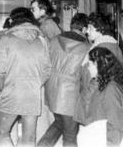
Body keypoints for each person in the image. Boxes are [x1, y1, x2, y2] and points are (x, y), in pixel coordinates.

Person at [0, 7, 52, 147]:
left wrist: (5, 86)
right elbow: (47, 70)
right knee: (29, 138)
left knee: (1, 132)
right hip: (33, 95)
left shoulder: (6, 39)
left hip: (12, 92)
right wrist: (34, 82)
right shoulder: (42, 41)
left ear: (12, 20)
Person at [38, 13, 90, 147]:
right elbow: (86, 76)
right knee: (70, 135)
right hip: (70, 96)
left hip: (52, 92)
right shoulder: (86, 47)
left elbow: (44, 64)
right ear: (84, 29)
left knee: (58, 124)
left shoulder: (54, 40)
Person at [76, 46, 123, 147]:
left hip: (104, 139)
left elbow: (116, 126)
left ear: (97, 65)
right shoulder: (96, 83)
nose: (88, 67)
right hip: (95, 134)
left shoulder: (110, 90)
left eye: (90, 63)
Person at [74, 13, 123, 126]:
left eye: (90, 28)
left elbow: (97, 80)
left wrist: (86, 102)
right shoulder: (108, 45)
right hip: (99, 99)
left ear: (100, 29)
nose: (87, 31)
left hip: (98, 103)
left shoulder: (103, 48)